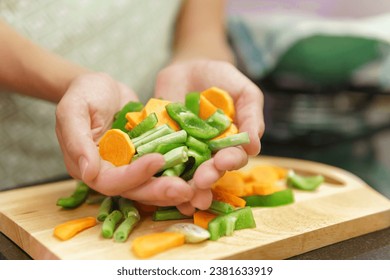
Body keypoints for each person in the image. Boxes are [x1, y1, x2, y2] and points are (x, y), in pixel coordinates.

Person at [0, 0, 264, 215]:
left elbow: (203, 32)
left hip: (132, 118)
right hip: (14, 167)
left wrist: (197, 65)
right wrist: (72, 82)